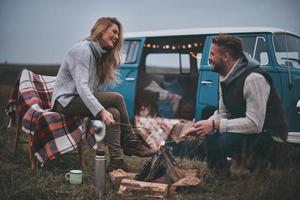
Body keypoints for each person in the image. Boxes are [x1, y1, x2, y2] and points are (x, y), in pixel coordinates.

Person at [51, 17, 155, 171]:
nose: (117, 37)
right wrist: (100, 110)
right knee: (117, 98)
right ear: (102, 29)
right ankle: (131, 142)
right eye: (114, 31)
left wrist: (104, 110)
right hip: (66, 102)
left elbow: (92, 89)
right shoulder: (82, 50)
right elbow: (82, 87)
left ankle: (116, 162)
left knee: (114, 113)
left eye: (118, 34)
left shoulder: (98, 54)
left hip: (78, 100)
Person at [189, 35, 288, 171]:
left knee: (226, 140)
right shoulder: (224, 76)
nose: (209, 58)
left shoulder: (253, 78)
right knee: (208, 113)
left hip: (270, 135)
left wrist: (214, 124)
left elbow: (254, 124)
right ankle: (218, 171)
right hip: (252, 131)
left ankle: (259, 166)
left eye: (212, 54)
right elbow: (224, 113)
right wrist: (200, 128)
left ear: (226, 57)